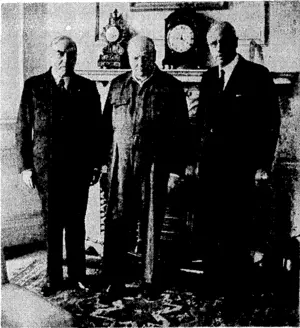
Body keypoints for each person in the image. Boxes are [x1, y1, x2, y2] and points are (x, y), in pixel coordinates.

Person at [194, 22, 280, 299]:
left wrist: (261, 166)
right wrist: (196, 160)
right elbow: (201, 124)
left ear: (235, 41)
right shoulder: (208, 78)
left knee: (237, 228)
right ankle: (211, 283)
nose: (218, 49)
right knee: (210, 226)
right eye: (213, 44)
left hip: (241, 168)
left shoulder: (257, 75)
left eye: (222, 42)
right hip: (211, 167)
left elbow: (271, 126)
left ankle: (236, 290)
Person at [101, 35, 189, 302]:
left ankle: (150, 280)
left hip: (155, 165)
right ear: (130, 58)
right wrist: (105, 166)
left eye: (146, 57)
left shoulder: (171, 87)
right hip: (121, 164)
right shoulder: (117, 85)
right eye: (135, 57)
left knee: (152, 222)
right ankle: (113, 281)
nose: (140, 62)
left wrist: (175, 171)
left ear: (155, 57)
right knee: (116, 220)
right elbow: (106, 129)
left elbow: (182, 134)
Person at [15, 36, 101, 296]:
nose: (66, 60)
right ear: (50, 54)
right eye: (60, 53)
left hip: (78, 169)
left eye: (71, 54)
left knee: (76, 223)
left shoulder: (87, 88)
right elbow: (22, 129)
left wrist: (96, 165)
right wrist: (25, 167)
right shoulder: (34, 86)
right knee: (51, 224)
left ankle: (77, 275)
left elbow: (95, 131)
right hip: (46, 169)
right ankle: (53, 277)